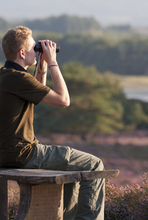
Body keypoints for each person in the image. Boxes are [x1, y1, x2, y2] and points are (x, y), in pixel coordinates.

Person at [0, 26, 105, 220]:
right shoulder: (19, 78)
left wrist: (42, 66)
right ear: (22, 53)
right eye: (34, 48)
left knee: (72, 173)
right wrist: (54, 63)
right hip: (23, 154)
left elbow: (34, 95)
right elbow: (63, 100)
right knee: (94, 165)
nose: (37, 50)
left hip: (4, 154)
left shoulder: (6, 76)